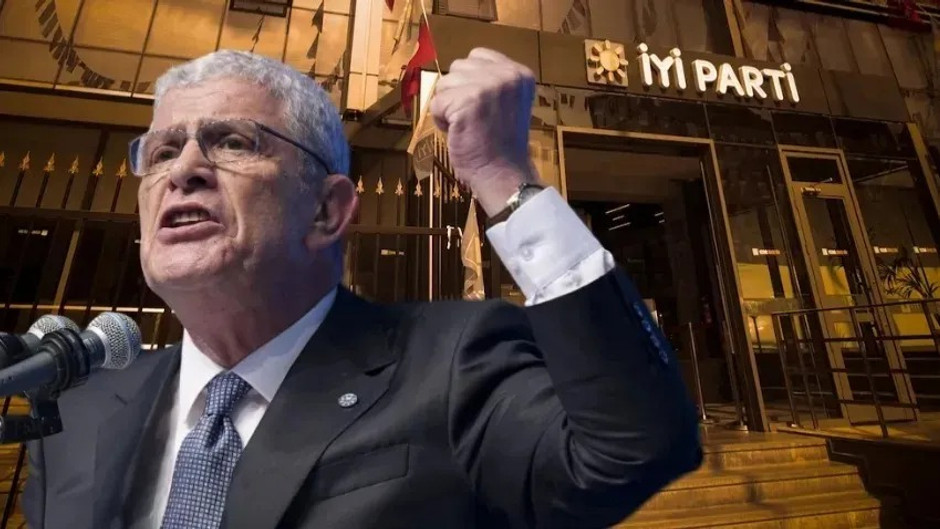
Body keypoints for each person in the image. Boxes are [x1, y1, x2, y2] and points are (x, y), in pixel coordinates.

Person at [22, 48, 701, 529]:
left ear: (328, 210)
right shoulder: (79, 406)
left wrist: (503, 175)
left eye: (231, 142)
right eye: (163, 151)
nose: (183, 170)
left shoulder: (452, 365)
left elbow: (630, 452)